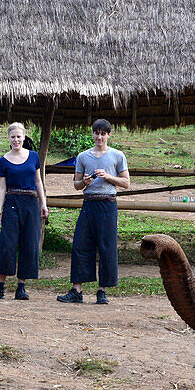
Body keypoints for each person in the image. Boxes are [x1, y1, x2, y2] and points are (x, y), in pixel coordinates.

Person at [57, 118, 130, 305]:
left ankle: (102, 291)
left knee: (106, 246)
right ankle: (77, 290)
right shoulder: (83, 157)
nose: (99, 137)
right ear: (92, 134)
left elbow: (126, 183)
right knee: (80, 244)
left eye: (103, 134)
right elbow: (76, 185)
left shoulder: (117, 155)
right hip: (89, 203)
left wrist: (109, 177)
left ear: (109, 135)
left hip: (108, 204)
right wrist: (85, 182)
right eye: (96, 133)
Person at [0, 122, 48, 300]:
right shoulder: (3, 161)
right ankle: (0, 286)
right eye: (13, 137)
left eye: (19, 136)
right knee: (7, 244)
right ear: (9, 138)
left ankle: (21, 287)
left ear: (24, 137)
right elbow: (1, 188)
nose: (16, 140)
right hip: (12, 202)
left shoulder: (34, 157)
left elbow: (38, 182)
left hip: (30, 202)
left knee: (29, 243)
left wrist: (43, 204)